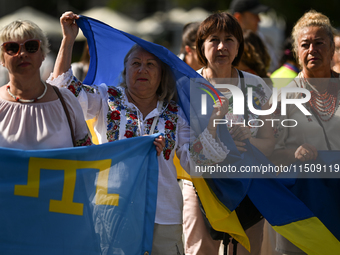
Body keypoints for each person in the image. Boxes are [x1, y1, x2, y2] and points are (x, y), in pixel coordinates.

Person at [48, 11, 230, 255]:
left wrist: (213, 124)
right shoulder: (106, 98)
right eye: (136, 63)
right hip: (112, 209)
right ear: (126, 70)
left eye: (150, 64)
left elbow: (196, 162)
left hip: (163, 215)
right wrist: (68, 40)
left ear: (161, 74)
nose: (142, 69)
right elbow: (64, 90)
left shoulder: (176, 112)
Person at [182, 12, 274, 255]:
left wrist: (247, 140)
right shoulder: (185, 87)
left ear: (239, 46)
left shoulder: (257, 87)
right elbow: (183, 147)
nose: (221, 46)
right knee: (200, 250)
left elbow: (269, 145)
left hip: (248, 186)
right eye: (213, 39)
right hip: (200, 186)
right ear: (201, 46)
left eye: (229, 39)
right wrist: (218, 136)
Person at [269, 10, 340, 255]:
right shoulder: (281, 98)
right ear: (297, 53)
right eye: (305, 45)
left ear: (332, 48)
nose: (312, 50)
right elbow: (266, 156)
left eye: (319, 43)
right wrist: (293, 153)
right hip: (301, 208)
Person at [0, 19, 91, 149]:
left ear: (43, 54)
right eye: (12, 48)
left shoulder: (66, 100)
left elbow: (87, 156)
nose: (23, 54)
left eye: (31, 46)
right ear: (2, 59)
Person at [229, 0, 279, 73]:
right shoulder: (224, 44)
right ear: (238, 17)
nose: (259, 20)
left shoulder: (259, 37)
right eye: (254, 15)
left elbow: (274, 66)